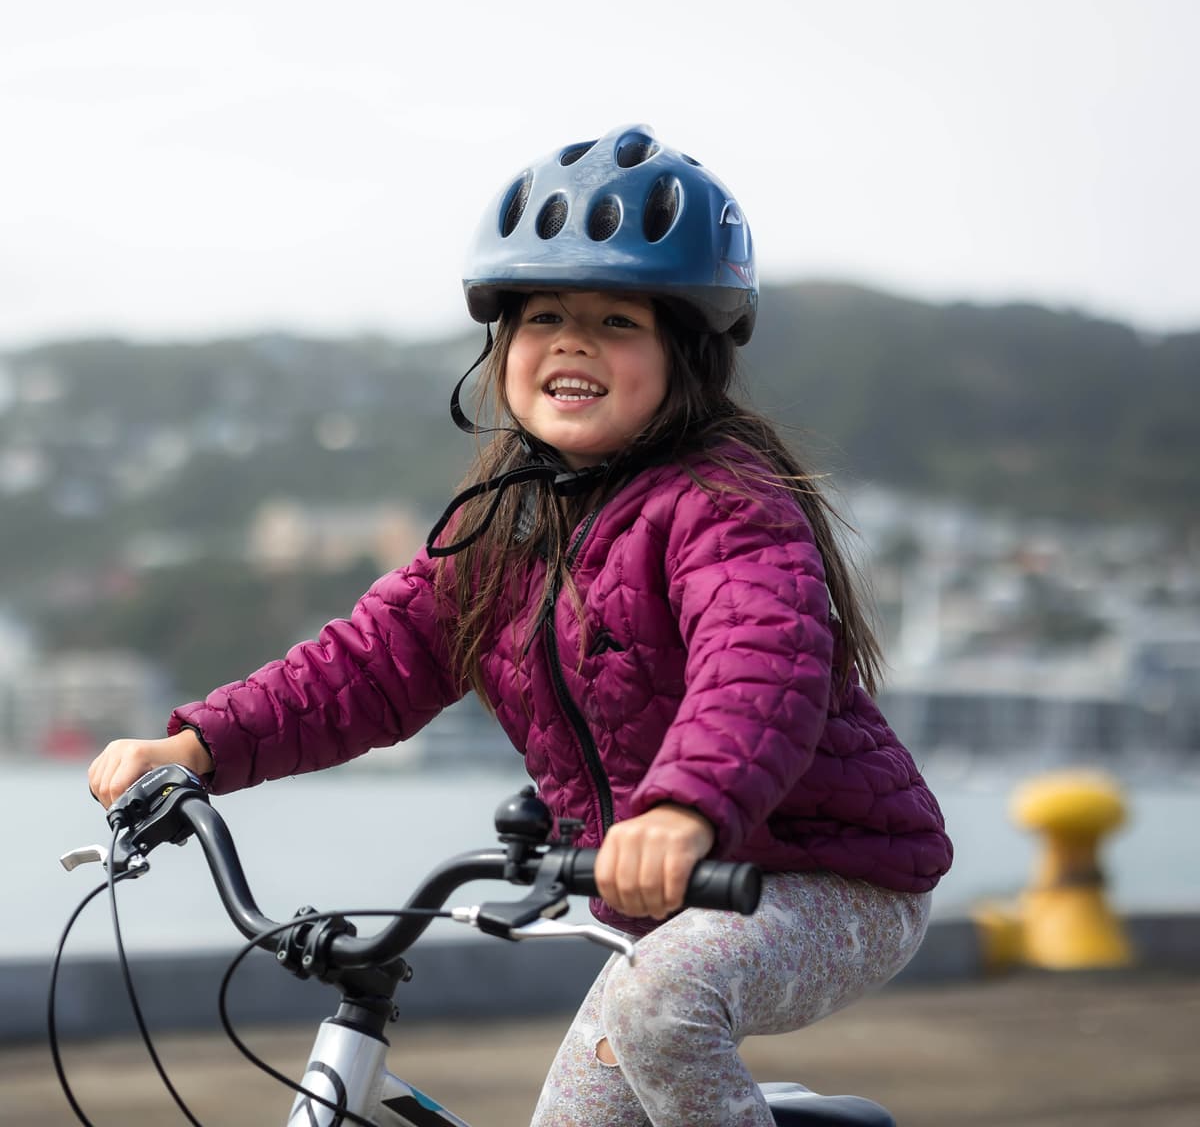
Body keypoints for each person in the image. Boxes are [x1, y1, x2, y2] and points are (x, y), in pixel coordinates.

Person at [89, 123, 953, 1126]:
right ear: (502, 350)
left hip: (825, 877)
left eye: (618, 321)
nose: (573, 341)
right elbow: (365, 666)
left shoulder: (727, 507)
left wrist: (683, 809)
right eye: (543, 314)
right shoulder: (503, 529)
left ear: (689, 357)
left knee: (665, 1003)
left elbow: (757, 667)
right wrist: (196, 746)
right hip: (667, 902)